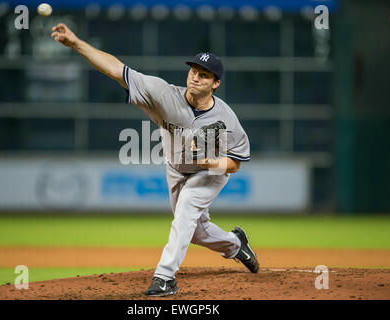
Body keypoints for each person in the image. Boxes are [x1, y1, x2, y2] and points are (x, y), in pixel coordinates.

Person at [51, 23, 260, 297]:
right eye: (194, 71)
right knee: (196, 231)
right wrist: (77, 43)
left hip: (210, 173)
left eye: (205, 75)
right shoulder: (163, 94)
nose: (196, 77)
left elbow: (235, 163)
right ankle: (235, 244)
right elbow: (116, 70)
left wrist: (212, 164)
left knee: (187, 209)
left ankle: (164, 278)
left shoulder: (227, 119)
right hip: (176, 169)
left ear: (215, 84)